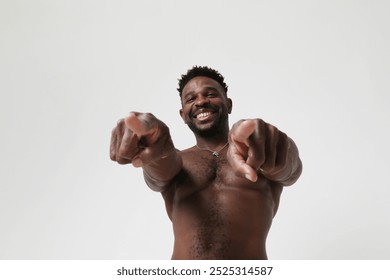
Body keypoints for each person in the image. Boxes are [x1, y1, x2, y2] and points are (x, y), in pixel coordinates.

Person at [110, 66, 302, 259]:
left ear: (228, 104)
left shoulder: (258, 152)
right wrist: (155, 144)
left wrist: (274, 145)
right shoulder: (175, 161)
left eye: (210, 94)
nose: (201, 101)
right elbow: (159, 168)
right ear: (183, 115)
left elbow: (289, 168)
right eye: (191, 99)